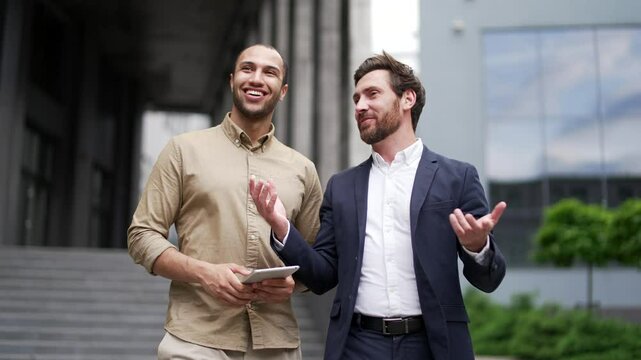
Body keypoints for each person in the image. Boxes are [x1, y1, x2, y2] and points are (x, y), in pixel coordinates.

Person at [249, 51, 507, 360]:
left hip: (433, 346)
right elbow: (322, 276)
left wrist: (477, 247)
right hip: (357, 346)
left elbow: (490, 280)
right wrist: (281, 226)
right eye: (356, 98)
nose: (359, 106)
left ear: (407, 99)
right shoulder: (342, 187)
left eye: (372, 94)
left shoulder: (458, 177)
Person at [127, 44, 323, 360]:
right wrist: (205, 273)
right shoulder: (182, 150)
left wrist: (294, 283)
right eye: (248, 69)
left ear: (283, 90)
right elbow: (142, 236)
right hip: (196, 340)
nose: (257, 78)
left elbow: (318, 259)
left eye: (269, 72)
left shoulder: (302, 169)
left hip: (276, 345)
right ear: (232, 80)